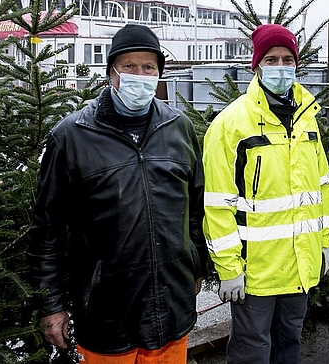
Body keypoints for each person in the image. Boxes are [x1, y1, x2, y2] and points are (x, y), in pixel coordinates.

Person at [28, 24, 207, 364]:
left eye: (148, 67)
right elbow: (47, 229)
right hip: (106, 316)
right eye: (129, 66)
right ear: (111, 71)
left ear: (159, 73)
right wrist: (52, 305)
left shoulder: (179, 127)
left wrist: (195, 266)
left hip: (171, 308)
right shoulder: (71, 136)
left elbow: (196, 207)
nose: (139, 75)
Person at [202, 23, 329, 364]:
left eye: (287, 59)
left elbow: (322, 187)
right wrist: (228, 268)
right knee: (252, 349)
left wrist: (322, 243)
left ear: (297, 63)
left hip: (300, 265)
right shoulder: (231, 124)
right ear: (257, 65)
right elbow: (218, 204)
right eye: (271, 59)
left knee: (290, 341)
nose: (280, 67)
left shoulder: (308, 118)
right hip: (256, 271)